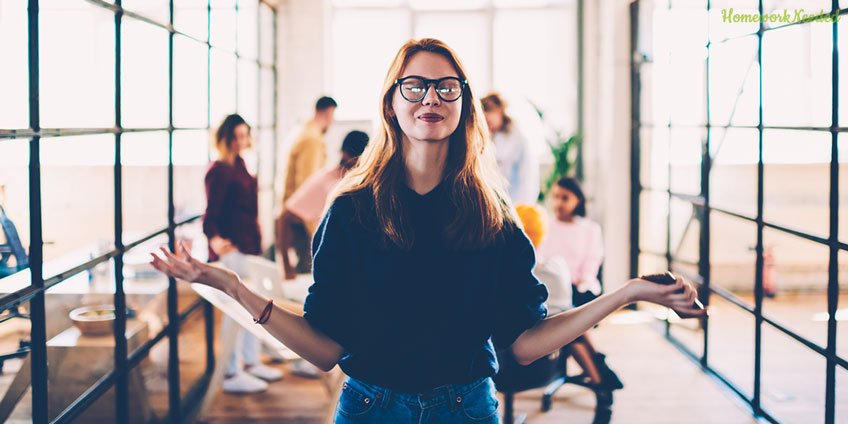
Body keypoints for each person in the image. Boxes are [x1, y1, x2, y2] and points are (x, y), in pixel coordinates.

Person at [152, 39, 704, 423]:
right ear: (391, 105)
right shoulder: (351, 213)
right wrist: (230, 285)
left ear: (464, 107)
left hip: (466, 410)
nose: (430, 98)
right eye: (413, 86)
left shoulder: (494, 219)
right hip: (368, 410)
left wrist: (626, 292)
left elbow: (527, 343)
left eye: (446, 88)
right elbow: (324, 351)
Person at [203, 114, 283, 394]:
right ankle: (230, 372)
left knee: (253, 309)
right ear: (226, 138)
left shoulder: (239, 165)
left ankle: (250, 362)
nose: (242, 141)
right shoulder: (220, 170)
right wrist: (216, 240)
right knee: (235, 313)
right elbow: (210, 215)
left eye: (245, 135)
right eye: (237, 136)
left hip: (249, 249)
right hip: (234, 252)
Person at [515, 204, 623, 407]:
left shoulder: (511, 273)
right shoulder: (555, 266)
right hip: (543, 351)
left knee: (570, 320)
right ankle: (600, 373)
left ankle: (600, 373)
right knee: (571, 320)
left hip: (517, 360)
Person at [277, 130, 370, 280]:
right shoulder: (326, 182)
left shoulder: (363, 183)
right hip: (327, 266)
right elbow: (284, 217)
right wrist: (286, 266)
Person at [278, 96, 338, 274]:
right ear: (327, 113)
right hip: (300, 221)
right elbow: (306, 185)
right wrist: (316, 230)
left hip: (291, 214)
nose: (333, 121)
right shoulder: (311, 140)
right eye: (333, 116)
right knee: (306, 277)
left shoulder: (299, 131)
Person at [538, 177, 604, 307]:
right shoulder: (544, 225)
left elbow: (592, 261)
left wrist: (583, 283)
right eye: (555, 197)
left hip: (579, 287)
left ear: (578, 200)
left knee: (587, 299)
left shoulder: (591, 229)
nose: (558, 203)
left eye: (565, 198)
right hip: (550, 285)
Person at [482, 92, 540, 205]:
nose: (488, 125)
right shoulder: (487, 137)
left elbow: (528, 177)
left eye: (489, 121)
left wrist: (524, 204)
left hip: (516, 200)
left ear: (499, 110)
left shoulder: (518, 138)